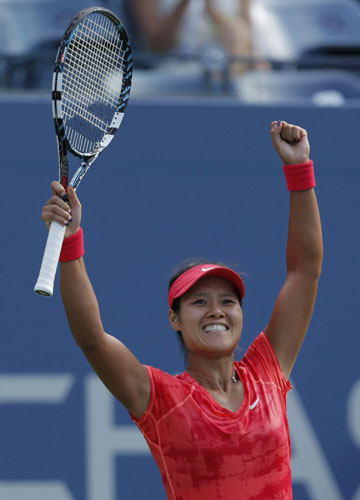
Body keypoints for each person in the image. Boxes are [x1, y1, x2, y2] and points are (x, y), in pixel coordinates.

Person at [41, 120, 323, 499]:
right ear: (174, 318)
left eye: (227, 301)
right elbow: (92, 340)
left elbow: (305, 272)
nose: (216, 312)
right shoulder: (159, 396)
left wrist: (299, 168)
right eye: (199, 302)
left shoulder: (267, 373)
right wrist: (71, 241)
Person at [124, 0, 267, 76]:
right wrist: (183, 3)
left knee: (236, 30)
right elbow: (157, 46)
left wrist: (213, 14)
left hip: (223, 71)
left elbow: (244, 36)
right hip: (170, 70)